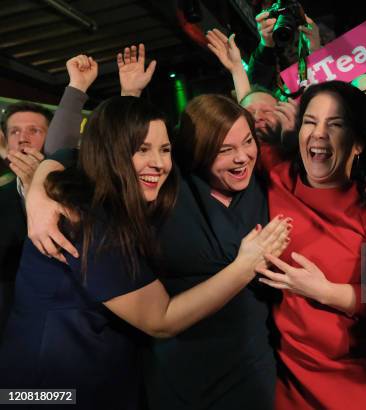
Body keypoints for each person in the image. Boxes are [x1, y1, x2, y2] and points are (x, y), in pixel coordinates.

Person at [24, 44, 292, 410]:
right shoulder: (156, 197)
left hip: (344, 374)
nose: (242, 155)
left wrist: (340, 297)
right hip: (63, 386)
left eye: (336, 126)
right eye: (313, 124)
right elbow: (75, 152)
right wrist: (41, 184)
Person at [255, 80, 366, 409]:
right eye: (310, 122)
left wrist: (323, 290)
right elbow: (223, 138)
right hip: (289, 382)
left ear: (358, 143)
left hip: (357, 381)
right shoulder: (276, 175)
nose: (319, 133)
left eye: (335, 125)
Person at [0, 55, 96, 335]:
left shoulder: (81, 186)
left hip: (72, 327)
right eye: (14, 131)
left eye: (34, 130)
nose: (23, 138)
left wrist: (37, 188)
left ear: (51, 136)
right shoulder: (2, 197)